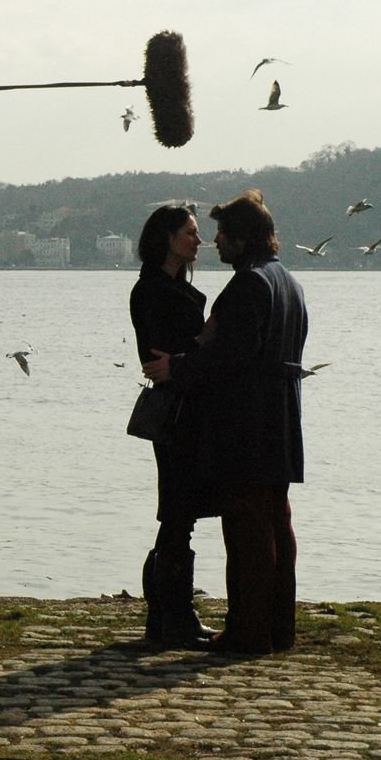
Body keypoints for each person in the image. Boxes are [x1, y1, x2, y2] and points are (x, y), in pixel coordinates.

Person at [144, 190, 308, 655]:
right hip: (281, 423)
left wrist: (178, 367)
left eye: (222, 234)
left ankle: (248, 632)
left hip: (247, 426)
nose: (215, 242)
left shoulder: (250, 284)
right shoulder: (288, 281)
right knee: (277, 526)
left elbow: (231, 357)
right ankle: (278, 629)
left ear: (242, 238)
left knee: (248, 531)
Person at [129, 205, 219, 645]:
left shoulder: (169, 288)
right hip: (178, 412)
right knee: (179, 510)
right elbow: (160, 356)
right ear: (167, 237)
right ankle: (173, 613)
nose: (198, 240)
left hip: (185, 407)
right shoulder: (152, 290)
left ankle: (167, 613)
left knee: (180, 511)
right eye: (190, 232)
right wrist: (204, 340)